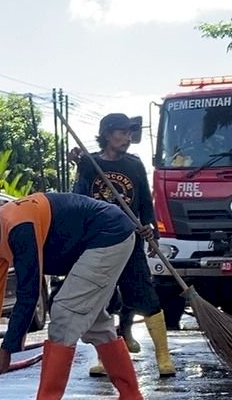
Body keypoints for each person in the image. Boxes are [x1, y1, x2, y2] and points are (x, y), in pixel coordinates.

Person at [0, 187, 147, 400]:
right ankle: (130, 396)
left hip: (109, 233)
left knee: (65, 312)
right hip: (94, 241)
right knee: (93, 321)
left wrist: (8, 350)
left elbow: (29, 292)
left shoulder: (18, 226)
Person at [71, 112, 176, 380]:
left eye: (130, 133)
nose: (128, 138)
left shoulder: (134, 165)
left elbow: (144, 201)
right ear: (107, 134)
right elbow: (78, 201)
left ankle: (163, 355)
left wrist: (151, 230)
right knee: (102, 301)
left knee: (145, 296)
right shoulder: (90, 165)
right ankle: (104, 358)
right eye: (122, 132)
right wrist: (78, 165)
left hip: (130, 239)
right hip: (98, 244)